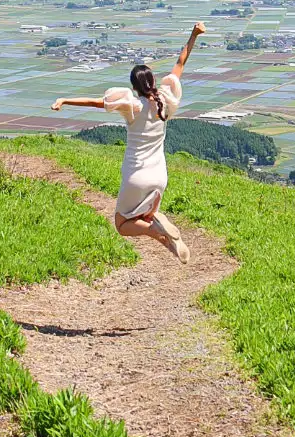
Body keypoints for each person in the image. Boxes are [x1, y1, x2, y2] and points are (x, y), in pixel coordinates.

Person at [50, 21, 207, 263]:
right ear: (152, 82)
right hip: (160, 176)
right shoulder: (165, 100)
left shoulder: (133, 105)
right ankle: (167, 238)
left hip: (136, 175)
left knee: (122, 224)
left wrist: (65, 99)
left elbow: (95, 102)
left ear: (134, 87)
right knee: (143, 216)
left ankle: (157, 230)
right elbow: (180, 62)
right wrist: (194, 34)